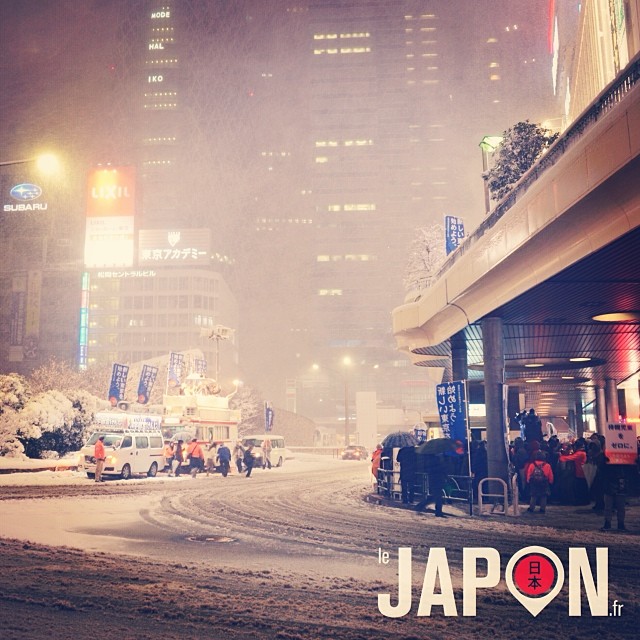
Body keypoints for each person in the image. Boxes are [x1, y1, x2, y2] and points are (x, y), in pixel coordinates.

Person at [601, 461, 632, 531]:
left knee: (619, 507)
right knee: (610, 506)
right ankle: (609, 523)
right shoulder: (607, 461)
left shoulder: (624, 463)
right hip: (612, 484)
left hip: (619, 484)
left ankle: (618, 524)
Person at [415, 452, 449, 517]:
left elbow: (428, 470)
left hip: (434, 480)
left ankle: (421, 506)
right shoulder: (437, 461)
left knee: (435, 496)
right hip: (438, 479)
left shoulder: (430, 460)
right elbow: (441, 470)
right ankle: (438, 511)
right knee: (438, 496)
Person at [559, 440, 589, 505]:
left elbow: (570, 458)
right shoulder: (582, 452)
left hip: (580, 473)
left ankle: (582, 502)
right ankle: (583, 501)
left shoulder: (579, 453)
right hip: (581, 472)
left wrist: (561, 457)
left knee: (581, 488)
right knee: (582, 488)